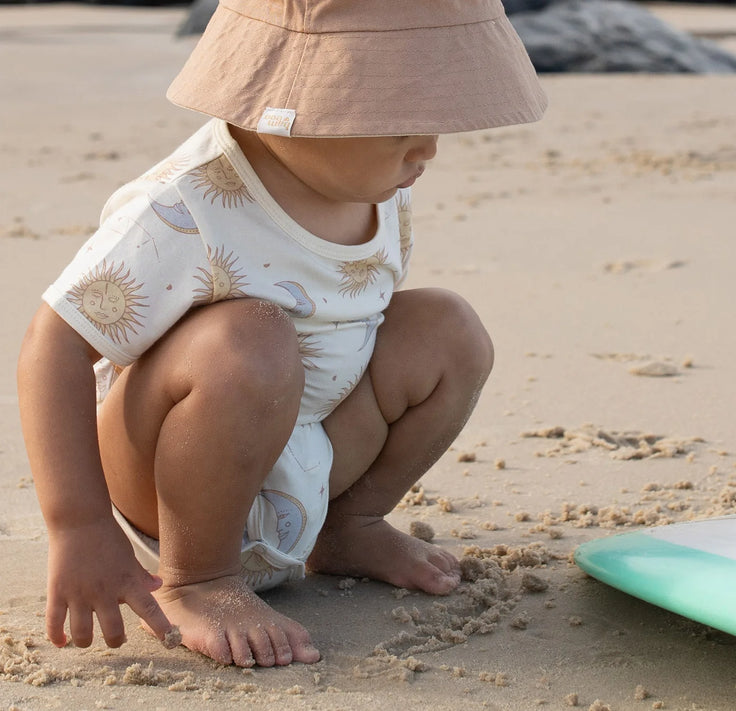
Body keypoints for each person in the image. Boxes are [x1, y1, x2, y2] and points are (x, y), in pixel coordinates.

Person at [16, 0, 546, 669]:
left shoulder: (374, 184)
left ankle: (347, 525)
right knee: (254, 339)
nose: (428, 149)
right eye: (400, 124)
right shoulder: (189, 208)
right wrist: (79, 524)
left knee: (450, 330)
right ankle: (199, 579)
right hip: (166, 488)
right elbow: (53, 342)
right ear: (295, 106)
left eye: (435, 118)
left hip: (307, 450)